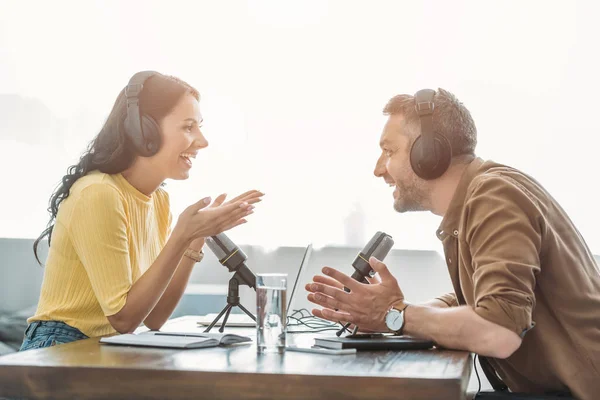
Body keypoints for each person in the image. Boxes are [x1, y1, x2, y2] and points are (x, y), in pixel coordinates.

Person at [306, 88, 600, 399]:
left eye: (390, 151)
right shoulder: (482, 195)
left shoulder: (493, 197)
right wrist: (384, 314)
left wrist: (395, 314)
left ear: (429, 154)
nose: (379, 169)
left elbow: (500, 331)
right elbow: (473, 299)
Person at [21, 71, 263, 350]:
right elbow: (123, 319)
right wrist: (181, 235)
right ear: (143, 131)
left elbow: (155, 317)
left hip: (110, 347)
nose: (202, 141)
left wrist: (196, 237)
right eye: (188, 127)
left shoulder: (158, 201)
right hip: (60, 346)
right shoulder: (98, 193)